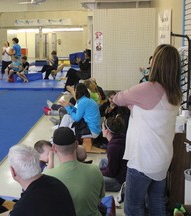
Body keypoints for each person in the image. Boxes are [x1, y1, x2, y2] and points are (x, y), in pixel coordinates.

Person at [113, 44, 182, 216]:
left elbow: (118, 98)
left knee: (133, 207)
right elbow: (151, 112)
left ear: (156, 63)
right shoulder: (175, 93)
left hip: (143, 160)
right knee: (156, 201)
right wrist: (135, 104)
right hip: (162, 158)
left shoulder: (148, 88)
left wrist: (133, 104)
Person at [44, 127, 105, 216]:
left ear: (54, 148)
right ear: (76, 144)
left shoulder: (46, 177)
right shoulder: (95, 170)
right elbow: (99, 199)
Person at [99, 117, 127, 192]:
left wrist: (98, 172)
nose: (101, 130)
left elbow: (111, 172)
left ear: (107, 131)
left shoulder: (113, 147)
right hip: (122, 172)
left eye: (102, 128)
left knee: (93, 178)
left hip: (119, 181)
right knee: (103, 161)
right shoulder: (121, 138)